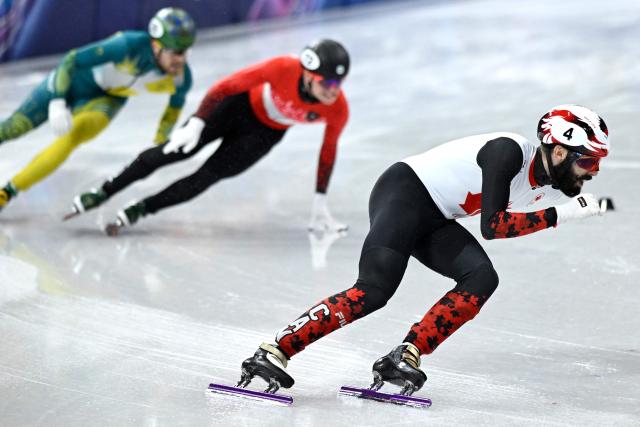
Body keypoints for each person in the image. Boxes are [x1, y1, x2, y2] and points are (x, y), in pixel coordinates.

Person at [235, 104, 610, 396]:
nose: (593, 171)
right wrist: (564, 215)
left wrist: (567, 209)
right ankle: (274, 350)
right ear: (559, 152)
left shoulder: (547, 184)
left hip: (436, 214)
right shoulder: (507, 152)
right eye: (588, 160)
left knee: (481, 278)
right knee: (373, 291)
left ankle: (405, 355)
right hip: (404, 193)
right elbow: (492, 226)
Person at [67, 39, 351, 235]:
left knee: (206, 177)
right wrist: (197, 121)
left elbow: (328, 151)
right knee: (175, 151)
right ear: (307, 74)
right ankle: (104, 191)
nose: (332, 90)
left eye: (339, 83)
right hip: (235, 108)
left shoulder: (337, 109)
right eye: (326, 81)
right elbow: (224, 87)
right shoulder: (282, 68)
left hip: (265, 134)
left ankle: (142, 209)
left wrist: (320, 201)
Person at [0, 8, 195, 210]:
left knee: (72, 136)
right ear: (156, 46)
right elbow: (72, 60)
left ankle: (6, 192)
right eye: (176, 52)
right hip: (73, 82)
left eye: (187, 51)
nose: (181, 60)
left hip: (108, 100)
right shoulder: (127, 46)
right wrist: (57, 100)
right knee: (14, 128)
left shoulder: (181, 79)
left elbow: (172, 111)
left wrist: (160, 141)